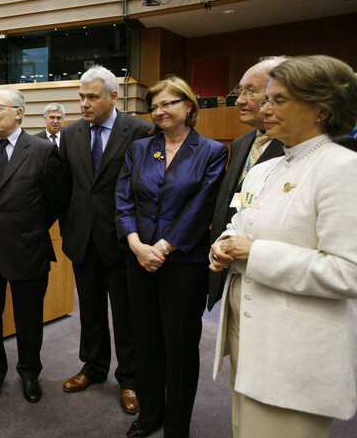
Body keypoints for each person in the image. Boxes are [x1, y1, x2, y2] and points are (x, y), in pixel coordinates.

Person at [209, 55, 357, 438]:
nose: (264, 107)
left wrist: (251, 253)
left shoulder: (341, 168)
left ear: (323, 108)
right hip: (247, 332)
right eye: (267, 97)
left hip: (293, 351)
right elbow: (238, 224)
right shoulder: (264, 169)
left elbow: (347, 272)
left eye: (279, 100)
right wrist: (223, 245)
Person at [116, 76, 227, 438]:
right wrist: (135, 244)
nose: (160, 111)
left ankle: (177, 425)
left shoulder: (211, 151)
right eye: (155, 106)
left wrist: (163, 248)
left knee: (179, 347)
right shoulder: (141, 149)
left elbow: (200, 208)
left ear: (189, 107)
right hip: (139, 260)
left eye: (168, 104)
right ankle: (150, 416)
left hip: (183, 265)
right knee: (145, 342)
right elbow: (123, 199)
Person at [58, 66, 150, 414]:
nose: (84, 103)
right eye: (81, 97)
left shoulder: (140, 131)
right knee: (91, 311)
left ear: (114, 96)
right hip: (83, 240)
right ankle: (93, 368)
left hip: (123, 241)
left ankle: (130, 379)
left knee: (126, 314)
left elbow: (147, 189)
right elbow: (66, 186)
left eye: (92, 97)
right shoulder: (71, 134)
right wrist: (68, 229)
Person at [0, 87, 64, 405]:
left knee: (29, 318)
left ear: (19, 112)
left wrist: (29, 229)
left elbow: (56, 201)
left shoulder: (41, 150)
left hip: (28, 249)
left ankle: (29, 373)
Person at [207, 58, 286, 311]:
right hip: (234, 275)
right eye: (240, 90)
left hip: (277, 290)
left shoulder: (307, 152)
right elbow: (233, 203)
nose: (239, 100)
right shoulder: (241, 143)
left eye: (250, 91)